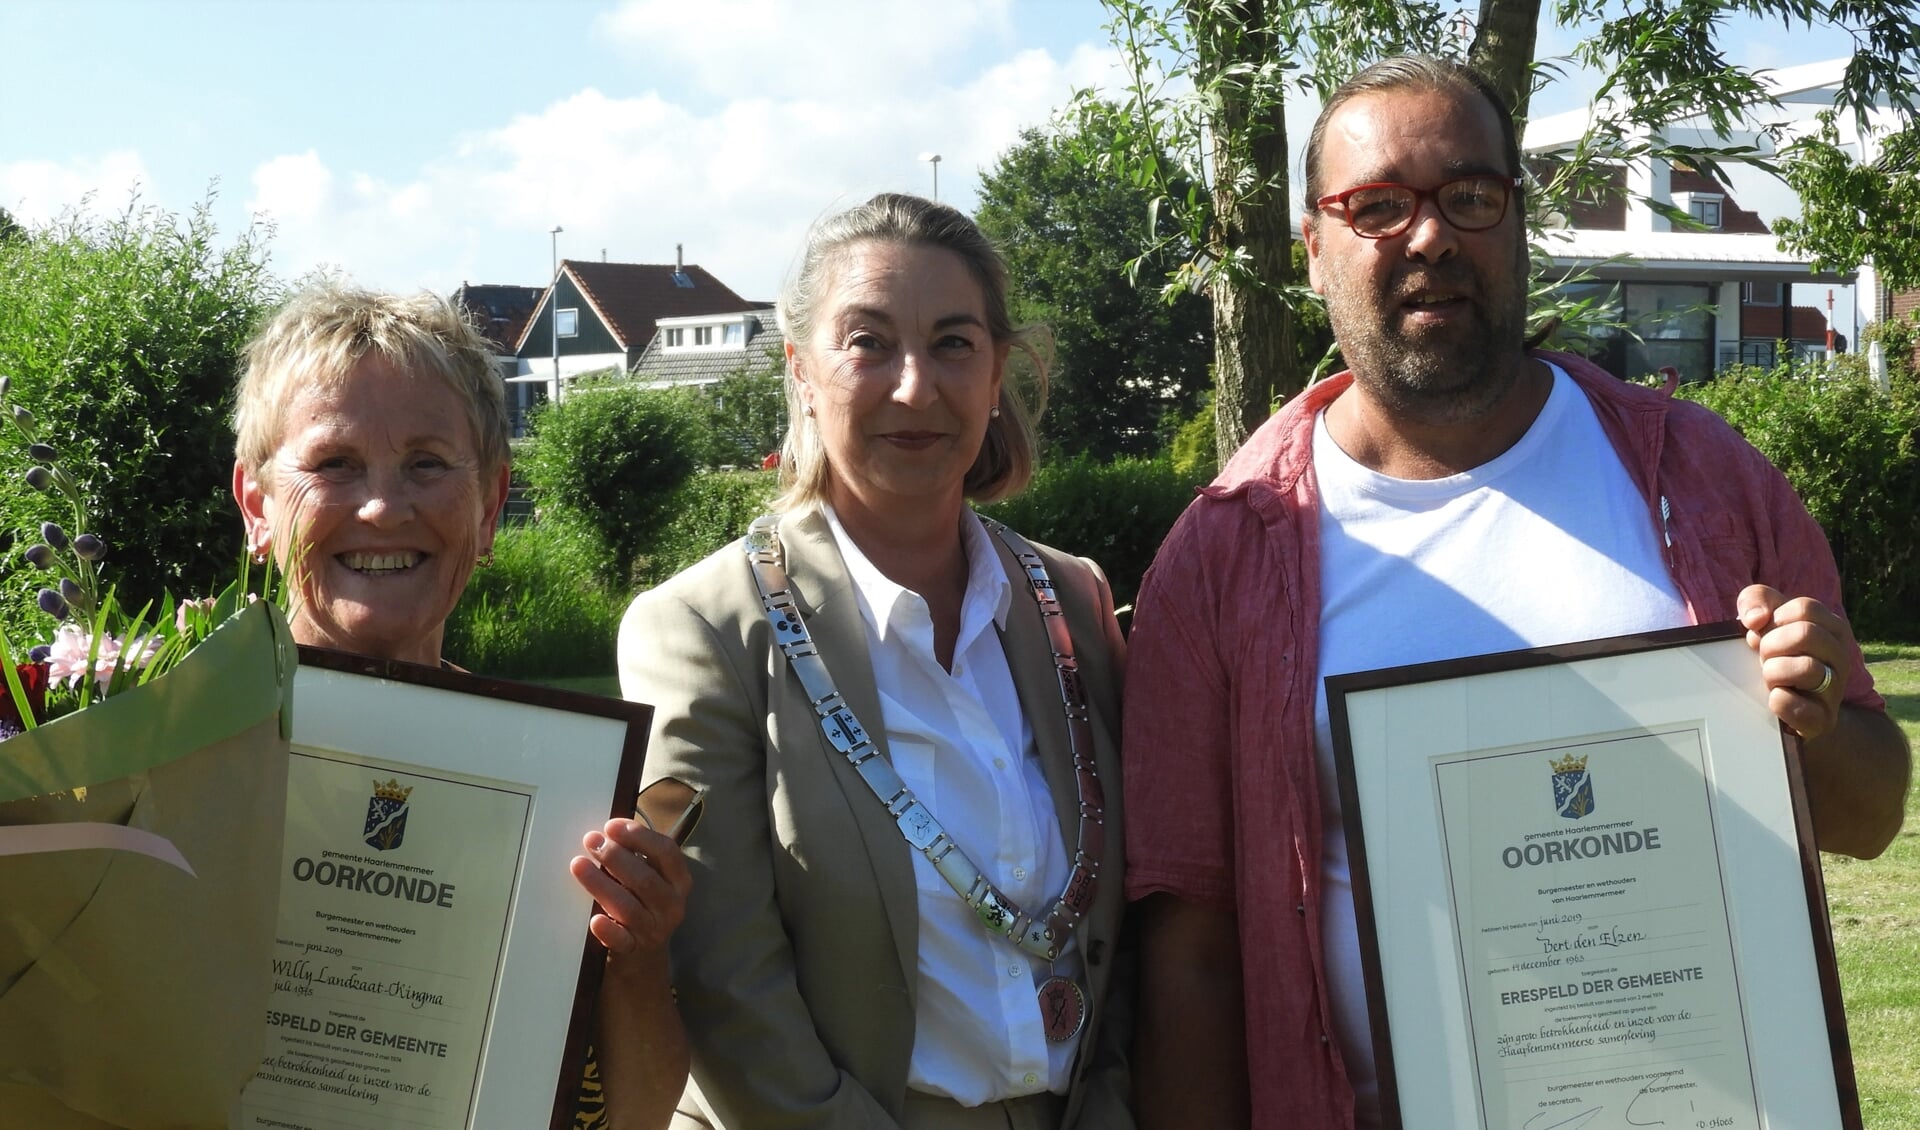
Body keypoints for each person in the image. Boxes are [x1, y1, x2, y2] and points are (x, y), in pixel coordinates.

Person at [1121, 55, 1912, 1130]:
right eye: (1379, 206)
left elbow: (1869, 818)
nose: (1431, 235)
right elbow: (1191, 955)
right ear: (1313, 249)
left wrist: (1813, 718)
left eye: (1471, 195)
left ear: (1518, 220)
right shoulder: (1225, 554)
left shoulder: (1704, 480)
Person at [619, 193, 1134, 1129]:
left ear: (997, 370)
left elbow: (1126, 933)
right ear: (802, 371)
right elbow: (726, 985)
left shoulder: (1076, 605)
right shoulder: (702, 629)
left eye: (952, 344)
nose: (914, 387)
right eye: (868, 342)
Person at [230, 281, 692, 1130]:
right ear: (258, 506)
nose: (381, 506)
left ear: (487, 507)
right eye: (334, 464)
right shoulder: (173, 751)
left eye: (428, 464)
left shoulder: (565, 795)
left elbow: (636, 1118)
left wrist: (635, 951)